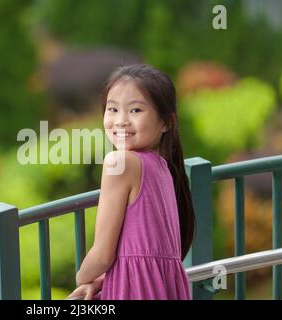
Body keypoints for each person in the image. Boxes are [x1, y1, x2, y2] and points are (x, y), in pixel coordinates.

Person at [66, 64, 196, 300]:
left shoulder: (120, 163)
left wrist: (82, 278)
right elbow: (144, 254)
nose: (121, 121)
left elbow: (103, 255)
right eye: (112, 109)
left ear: (166, 122)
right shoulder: (162, 165)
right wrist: (101, 282)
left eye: (135, 110)